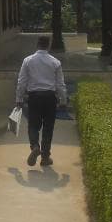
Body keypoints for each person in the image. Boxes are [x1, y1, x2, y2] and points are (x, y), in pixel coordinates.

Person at [15, 35, 67, 167]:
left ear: (37, 44)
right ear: (48, 45)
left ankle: (34, 147)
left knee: (33, 125)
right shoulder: (55, 62)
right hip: (50, 97)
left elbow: (21, 82)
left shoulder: (28, 60)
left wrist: (19, 98)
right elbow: (60, 84)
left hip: (34, 97)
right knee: (48, 128)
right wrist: (63, 100)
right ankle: (45, 158)